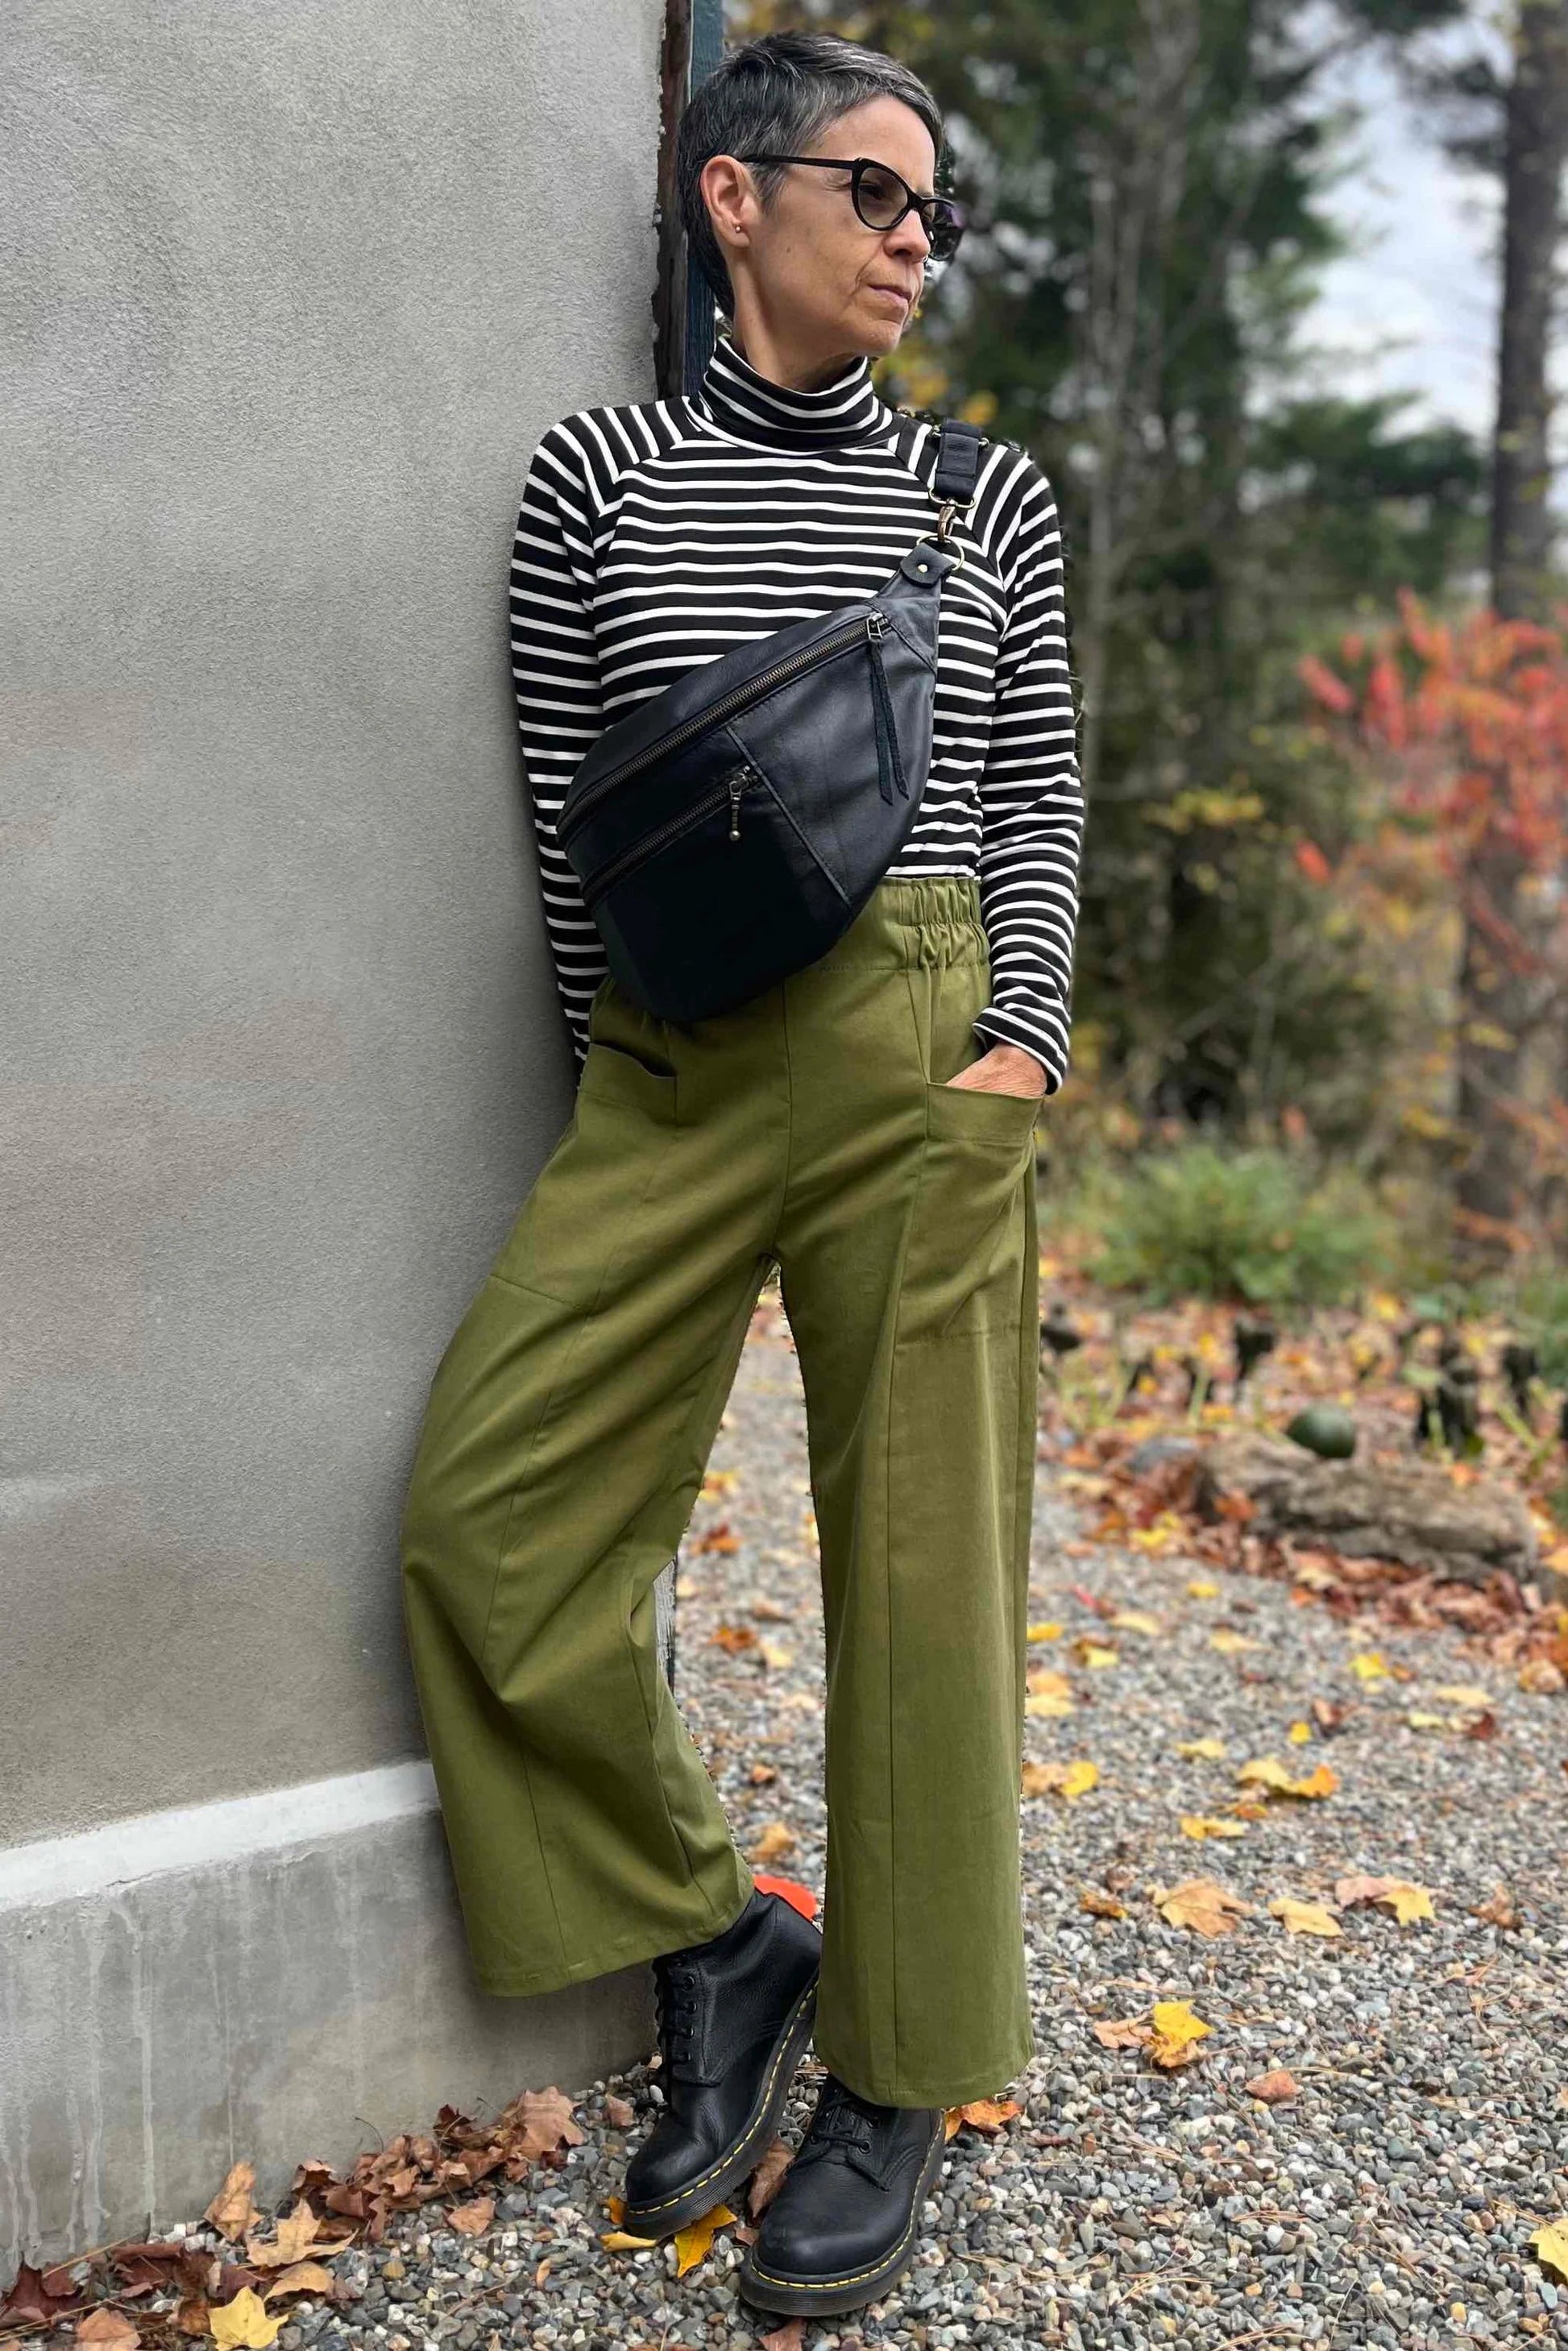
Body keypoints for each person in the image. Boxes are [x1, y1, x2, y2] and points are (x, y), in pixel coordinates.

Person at [399, 27, 1085, 2321]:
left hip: (921, 1046)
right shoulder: (595, 476)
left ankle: (899, 2073)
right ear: (732, 197)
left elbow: (1035, 796)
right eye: (874, 195)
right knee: (490, 1526)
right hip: (673, 1073)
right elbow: (568, 821)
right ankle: (720, 1935)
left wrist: (1013, 1047)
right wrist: (621, 1079)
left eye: (935, 213)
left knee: (922, 1582)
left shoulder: (981, 501)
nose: (913, 241)